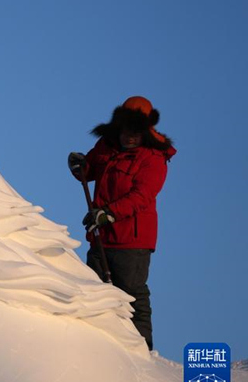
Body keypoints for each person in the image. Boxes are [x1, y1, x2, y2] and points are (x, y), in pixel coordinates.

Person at [68, 96, 176, 351]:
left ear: (146, 131)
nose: (130, 136)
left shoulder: (153, 158)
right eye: (126, 130)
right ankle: (101, 344)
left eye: (136, 131)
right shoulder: (106, 146)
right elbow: (89, 171)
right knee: (96, 290)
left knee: (131, 292)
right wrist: (78, 165)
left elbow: (142, 196)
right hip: (101, 236)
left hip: (133, 240)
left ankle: (141, 347)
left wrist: (108, 213)